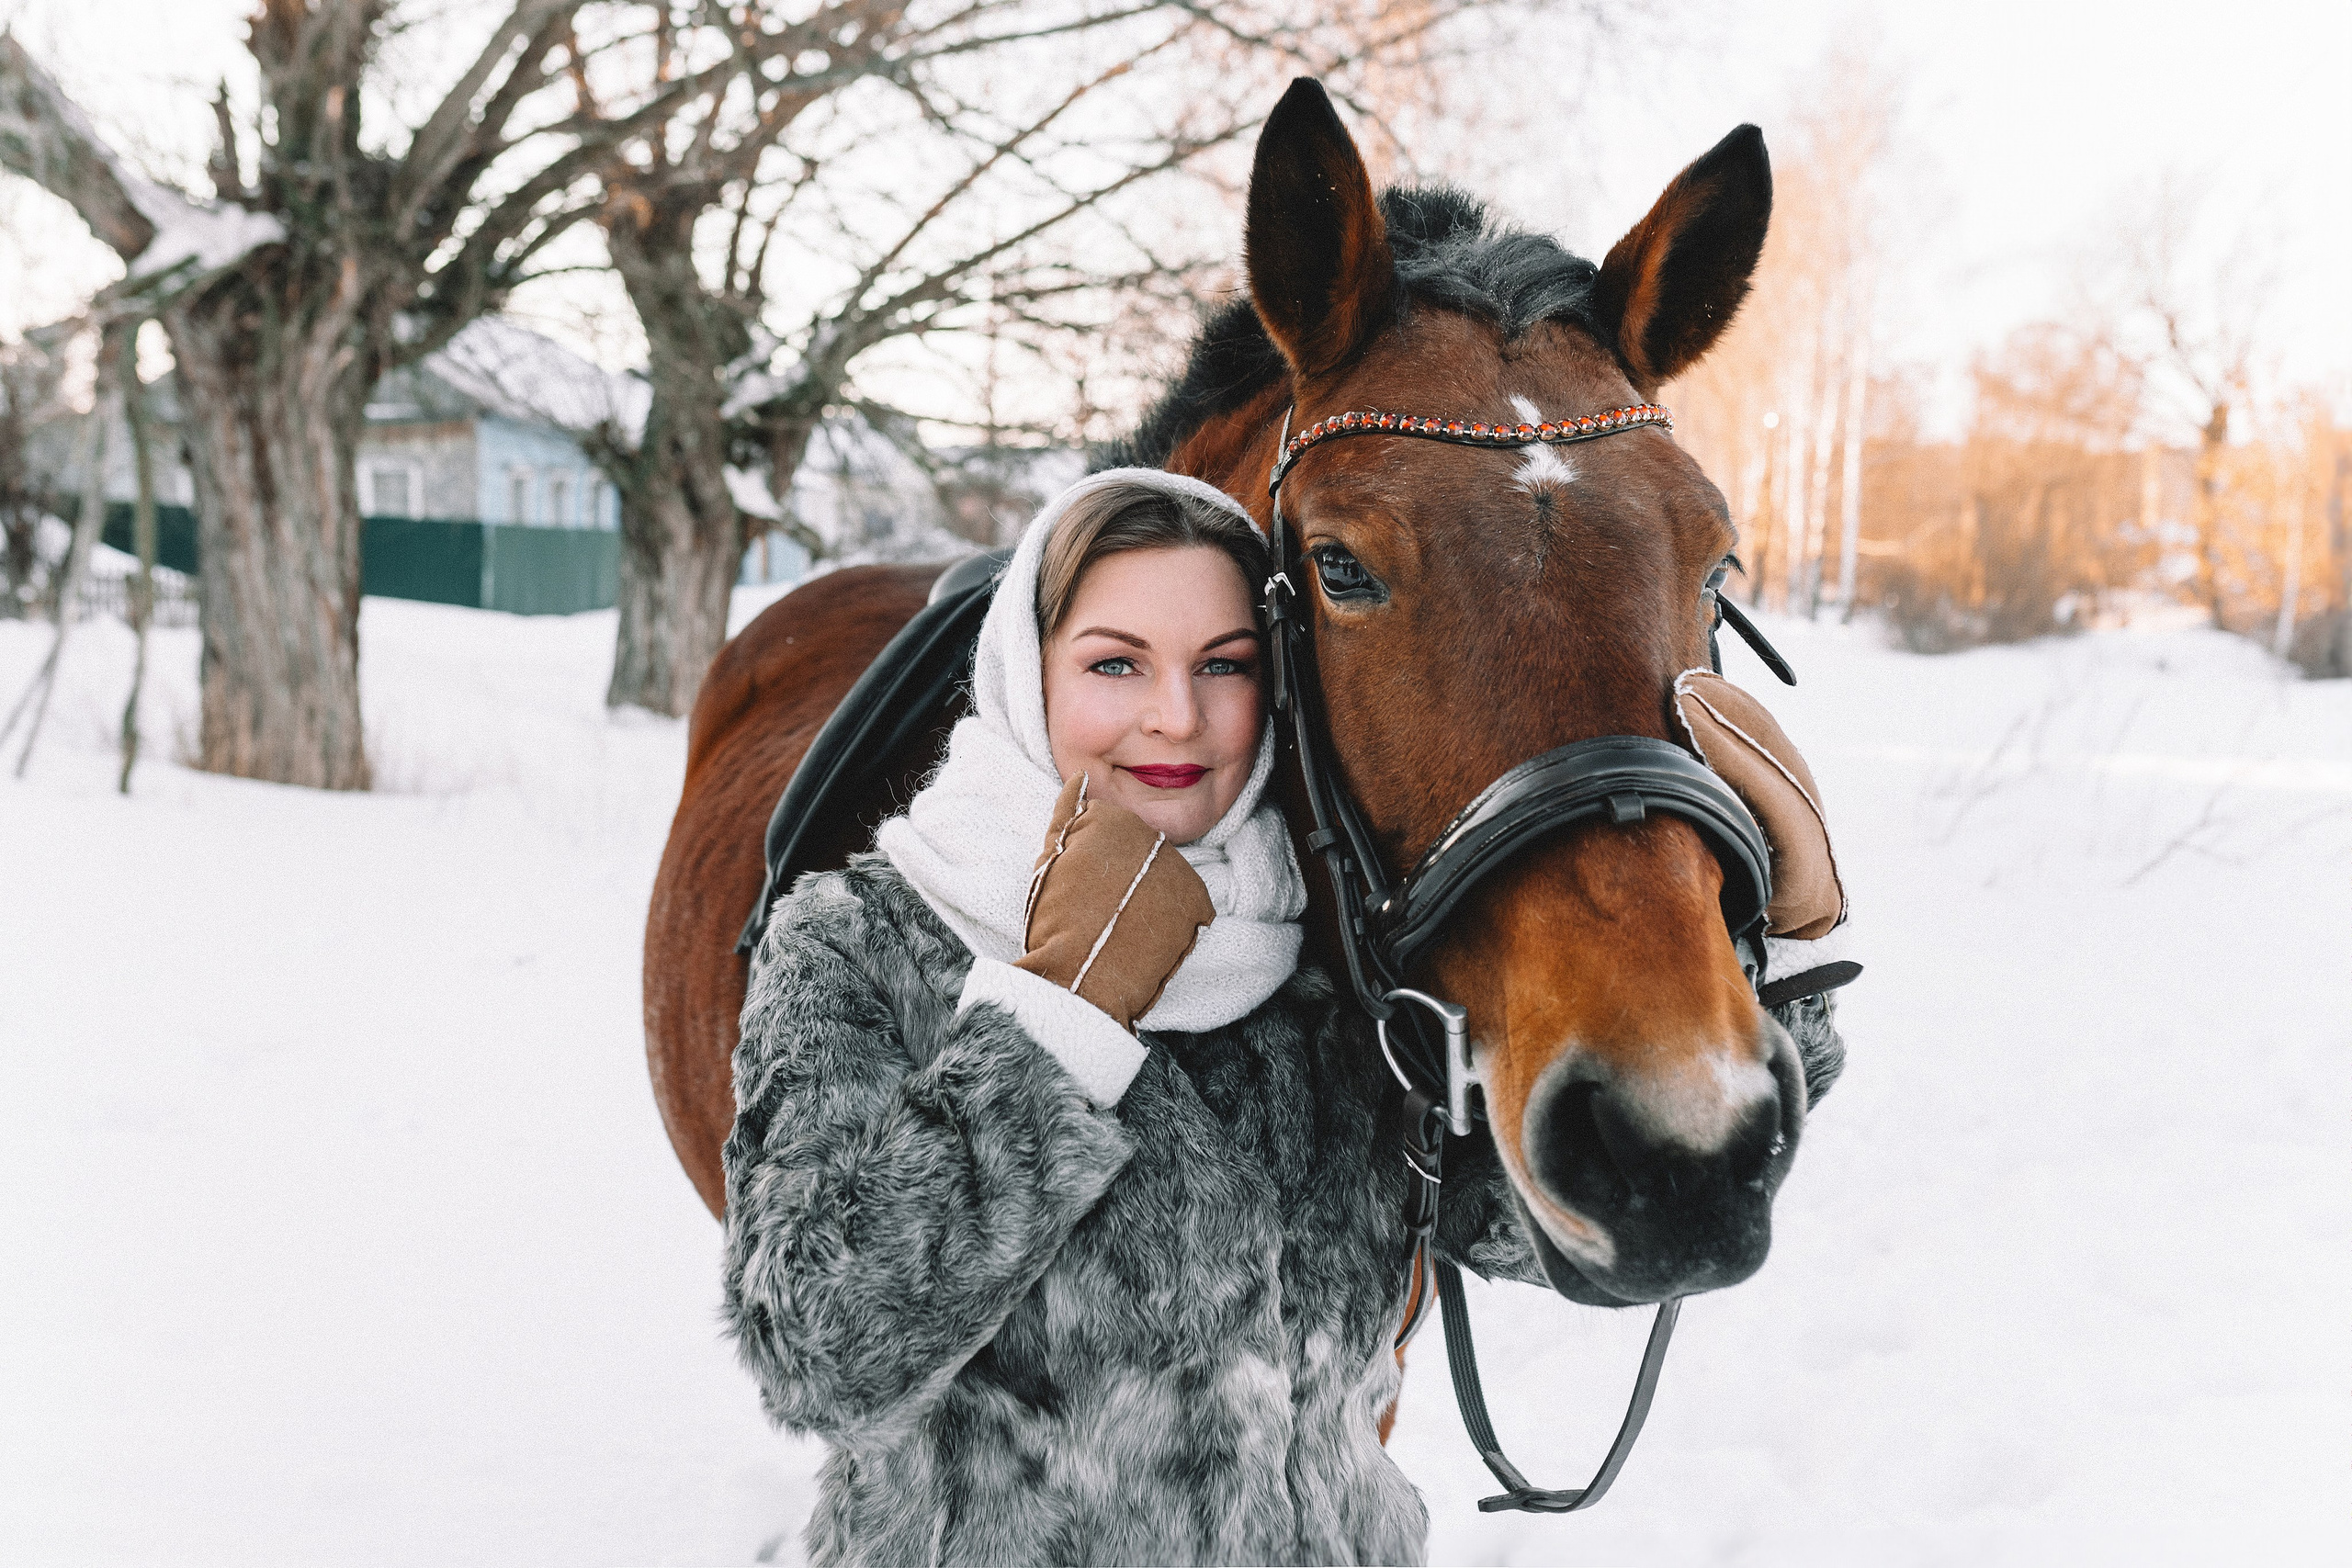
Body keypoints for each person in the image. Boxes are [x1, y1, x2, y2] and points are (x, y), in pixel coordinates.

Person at [722, 468, 1545, 1567]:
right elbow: (819, 1353)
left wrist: (1772, 949)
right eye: (1115, 663)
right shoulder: (865, 938)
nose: (1176, 716)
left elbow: (1555, 1223)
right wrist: (1055, 1015)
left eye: (1225, 666)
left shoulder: (1336, 954)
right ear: (1031, 675)